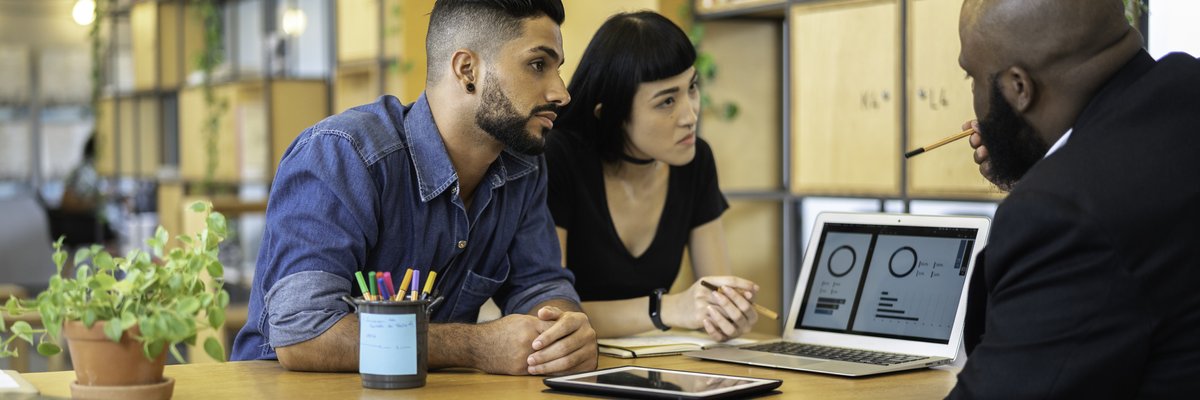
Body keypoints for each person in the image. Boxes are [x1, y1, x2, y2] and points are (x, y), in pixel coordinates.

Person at [231, 0, 598, 376]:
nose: (561, 93)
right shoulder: (344, 155)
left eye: (558, 69)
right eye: (538, 65)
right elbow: (305, 334)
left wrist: (562, 332)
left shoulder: (524, 166)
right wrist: (475, 346)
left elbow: (539, 283)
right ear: (467, 69)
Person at [948, 0, 1200, 397]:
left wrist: (1049, 189)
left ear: (1019, 87)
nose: (975, 97)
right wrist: (1045, 167)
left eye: (972, 78)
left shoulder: (1061, 215)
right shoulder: (1184, 90)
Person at [544, 11, 759, 341]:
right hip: (566, 368)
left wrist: (727, 315)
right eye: (667, 101)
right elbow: (551, 316)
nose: (690, 115)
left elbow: (716, 292)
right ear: (612, 115)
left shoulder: (696, 160)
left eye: (692, 88)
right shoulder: (559, 158)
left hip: (650, 364)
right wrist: (667, 308)